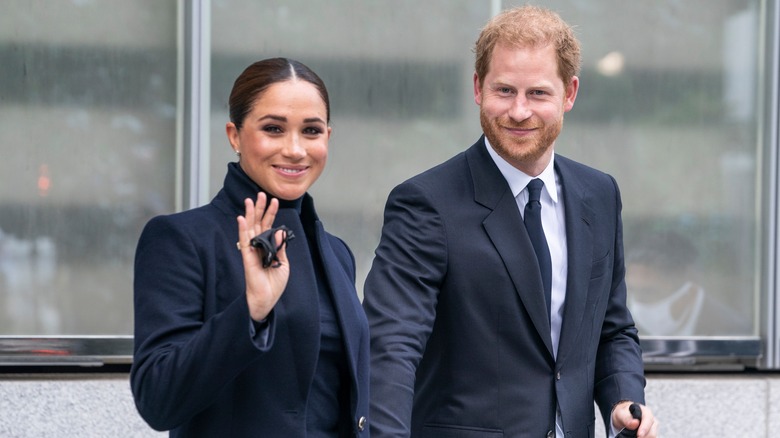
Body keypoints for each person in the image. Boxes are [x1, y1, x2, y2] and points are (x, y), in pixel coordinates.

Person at [362, 6, 657, 438]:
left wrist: (622, 400)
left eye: (537, 93)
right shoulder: (425, 203)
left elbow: (612, 328)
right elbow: (390, 346)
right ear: (478, 88)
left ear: (569, 94)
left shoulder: (599, 194)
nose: (519, 112)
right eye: (504, 90)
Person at [130, 58, 370, 437]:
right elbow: (158, 400)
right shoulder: (180, 240)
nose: (295, 149)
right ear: (234, 135)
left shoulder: (336, 253)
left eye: (311, 131)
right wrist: (252, 311)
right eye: (273, 129)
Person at [626, 229, 751, 336]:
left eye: (648, 292)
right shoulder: (629, 335)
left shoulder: (732, 335)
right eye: (632, 290)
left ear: (689, 290)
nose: (638, 304)